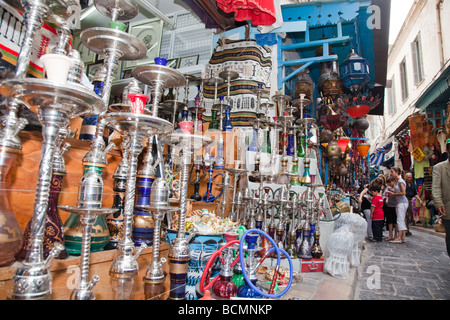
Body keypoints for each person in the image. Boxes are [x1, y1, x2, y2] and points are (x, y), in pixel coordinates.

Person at [431, 139, 450, 257]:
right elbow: (436, 187)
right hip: (448, 208)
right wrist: (439, 203)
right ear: (447, 150)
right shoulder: (440, 167)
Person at [386, 167, 408, 244]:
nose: (391, 173)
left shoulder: (400, 181)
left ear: (396, 172)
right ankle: (403, 237)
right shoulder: (397, 181)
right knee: (401, 219)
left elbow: (404, 193)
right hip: (399, 202)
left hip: (402, 202)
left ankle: (399, 237)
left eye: (392, 172)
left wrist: (393, 194)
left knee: (400, 220)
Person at [383, 176, 398, 241]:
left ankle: (396, 235)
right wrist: (386, 198)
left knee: (396, 221)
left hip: (396, 205)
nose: (389, 184)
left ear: (393, 181)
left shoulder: (397, 187)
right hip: (389, 205)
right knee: (390, 221)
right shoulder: (388, 188)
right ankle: (390, 235)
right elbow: (385, 195)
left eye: (390, 183)